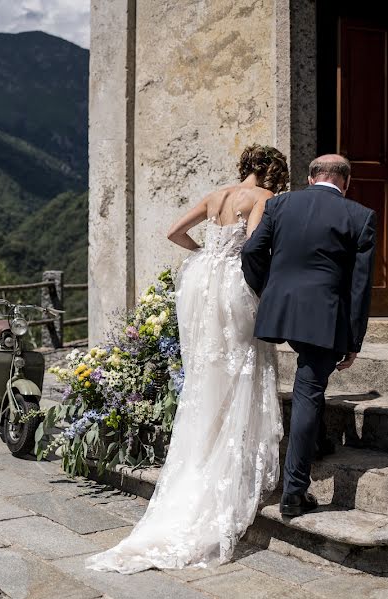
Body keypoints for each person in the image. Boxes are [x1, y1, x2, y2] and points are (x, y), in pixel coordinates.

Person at [85, 144, 288, 574]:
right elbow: (253, 248)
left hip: (199, 283)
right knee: (242, 362)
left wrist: (204, 254)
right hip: (234, 282)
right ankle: (232, 442)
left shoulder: (217, 194)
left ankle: (208, 439)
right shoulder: (264, 199)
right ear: (273, 173)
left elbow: (174, 232)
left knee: (208, 367)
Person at [240, 154, 376, 517]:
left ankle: (317, 442)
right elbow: (360, 287)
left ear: (311, 178)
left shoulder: (280, 203)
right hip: (323, 318)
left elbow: (251, 250)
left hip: (281, 308)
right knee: (308, 390)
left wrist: (268, 290)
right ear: (345, 183)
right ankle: (294, 491)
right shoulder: (360, 216)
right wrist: (353, 340)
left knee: (307, 384)